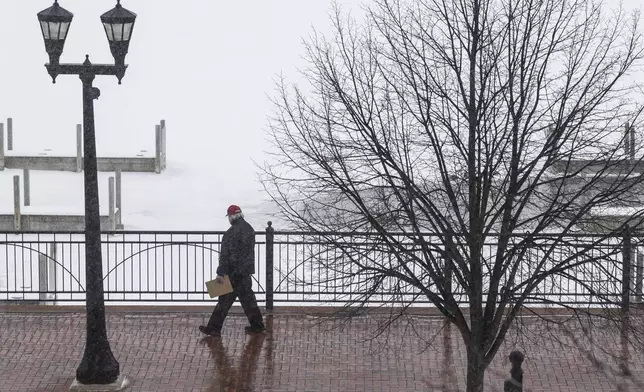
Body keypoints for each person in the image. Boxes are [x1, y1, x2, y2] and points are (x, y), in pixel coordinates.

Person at [199, 205, 266, 337]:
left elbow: (225, 255)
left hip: (233, 273)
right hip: (245, 272)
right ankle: (258, 325)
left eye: (229, 216)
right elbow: (246, 252)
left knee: (223, 302)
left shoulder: (231, 233)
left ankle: (213, 328)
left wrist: (221, 272)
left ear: (231, 217)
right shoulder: (249, 229)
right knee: (248, 301)